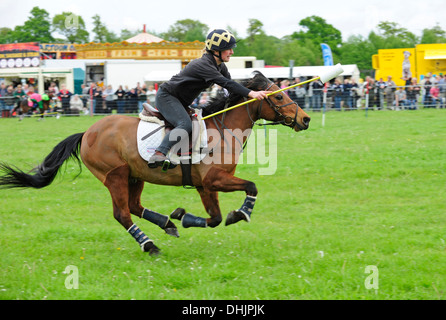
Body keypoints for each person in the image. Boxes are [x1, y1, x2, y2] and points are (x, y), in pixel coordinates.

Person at [148, 29, 271, 169]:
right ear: (216, 50)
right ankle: (159, 153)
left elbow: (230, 88)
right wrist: (251, 93)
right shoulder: (203, 65)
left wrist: (250, 94)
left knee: (199, 124)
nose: (232, 52)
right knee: (185, 124)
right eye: (228, 49)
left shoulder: (220, 66)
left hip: (180, 101)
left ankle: (183, 156)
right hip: (167, 97)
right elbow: (227, 83)